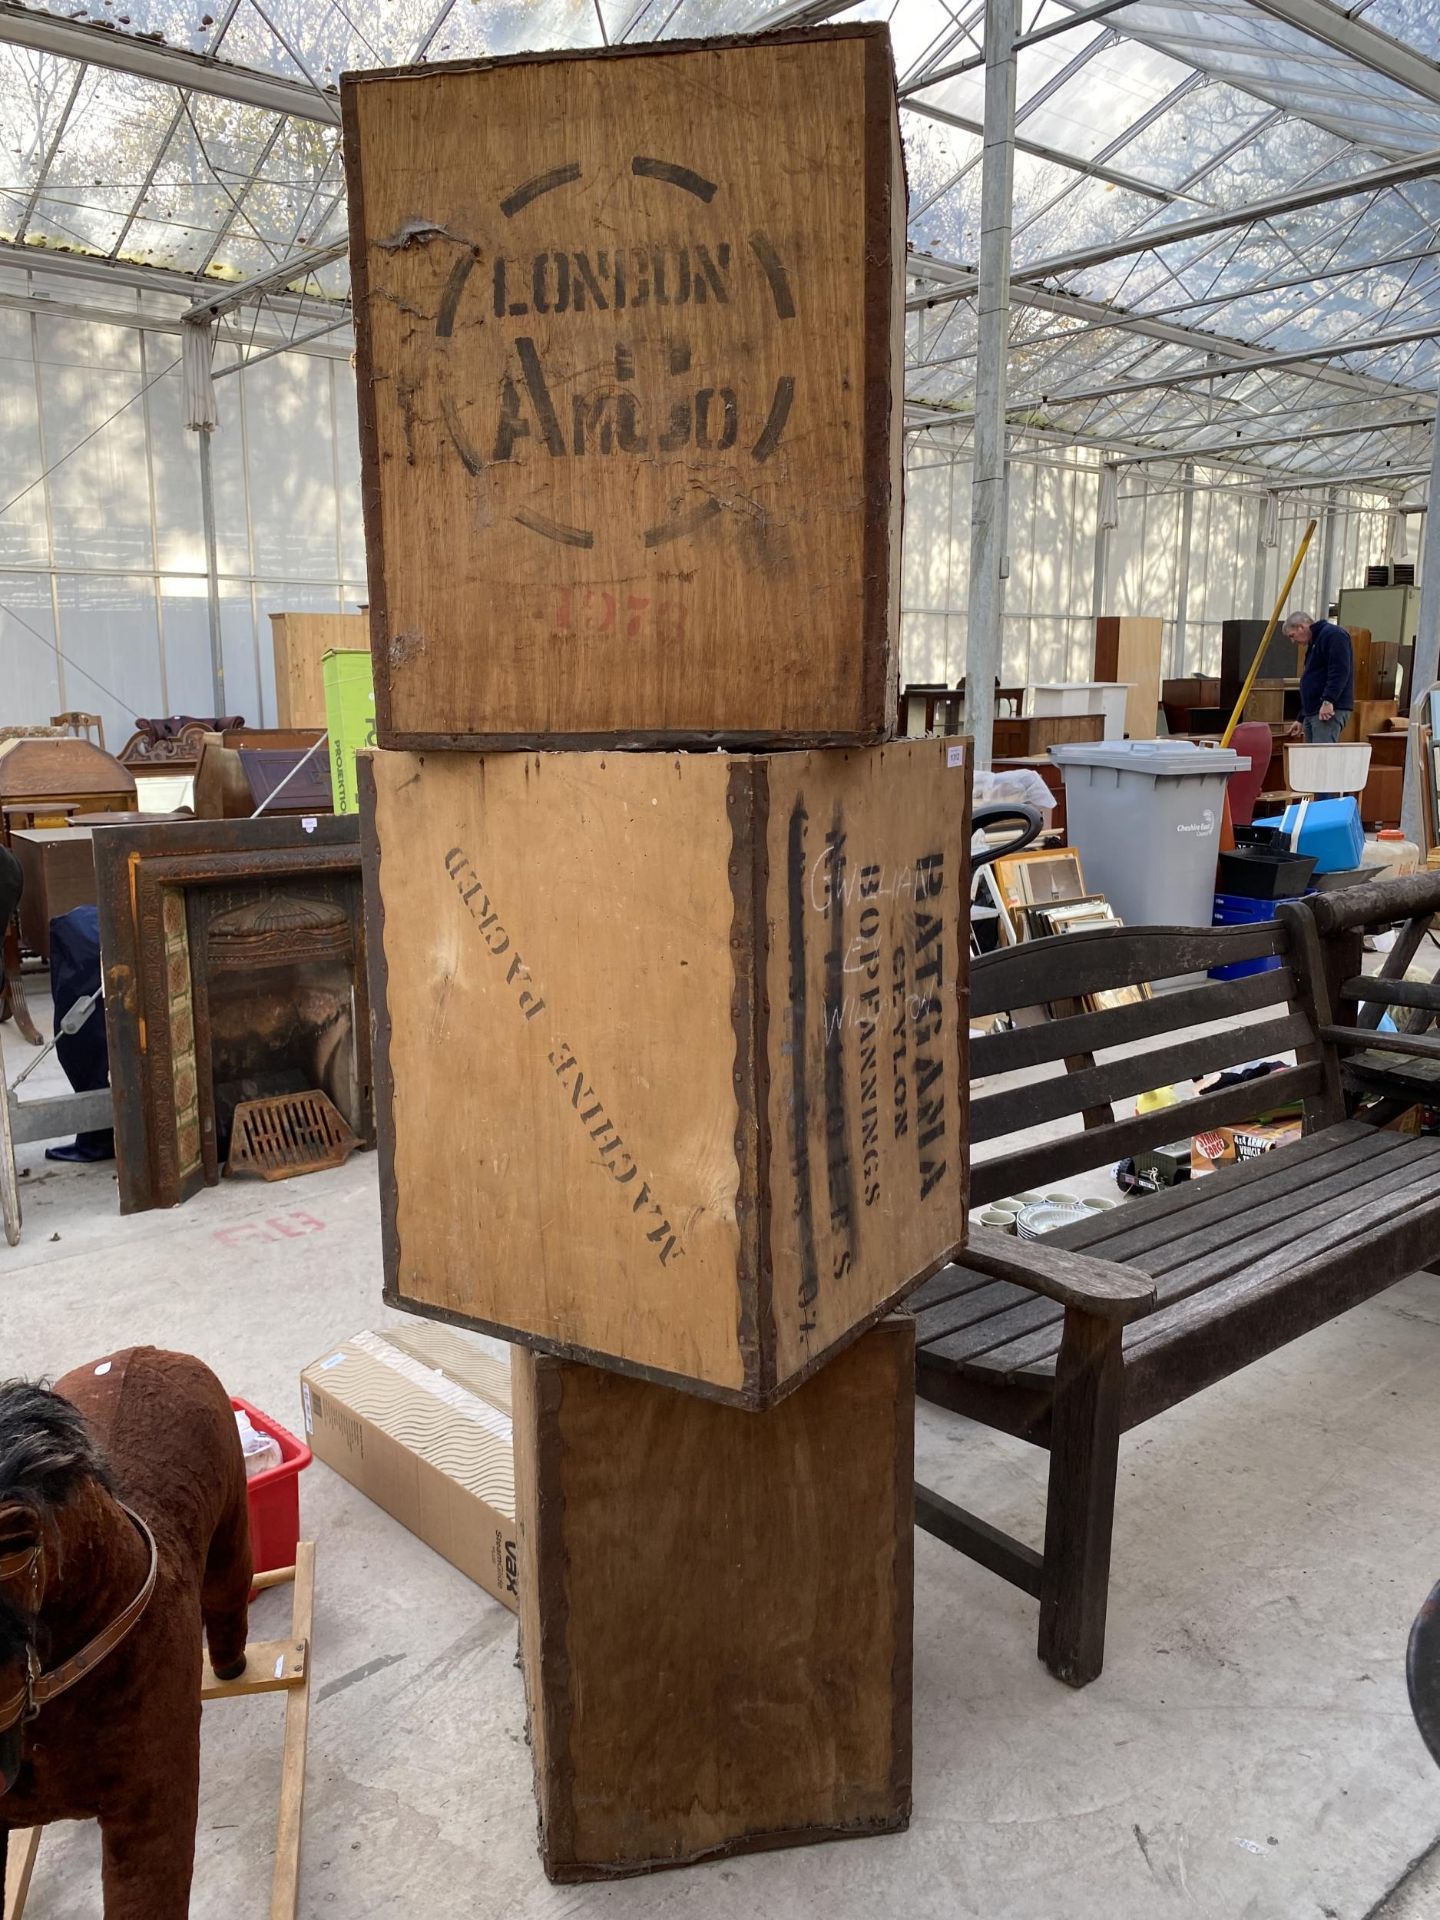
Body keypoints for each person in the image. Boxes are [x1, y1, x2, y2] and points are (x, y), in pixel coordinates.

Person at [1283, 610, 1353, 743]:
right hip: (1314, 711)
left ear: (1301, 627)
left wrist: (1328, 700)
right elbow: (1313, 680)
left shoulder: (1333, 635)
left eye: (1292, 635)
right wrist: (1301, 717)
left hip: (1327, 711)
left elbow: (1339, 670)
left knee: (1322, 757)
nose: (1293, 641)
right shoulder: (1314, 642)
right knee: (1313, 758)